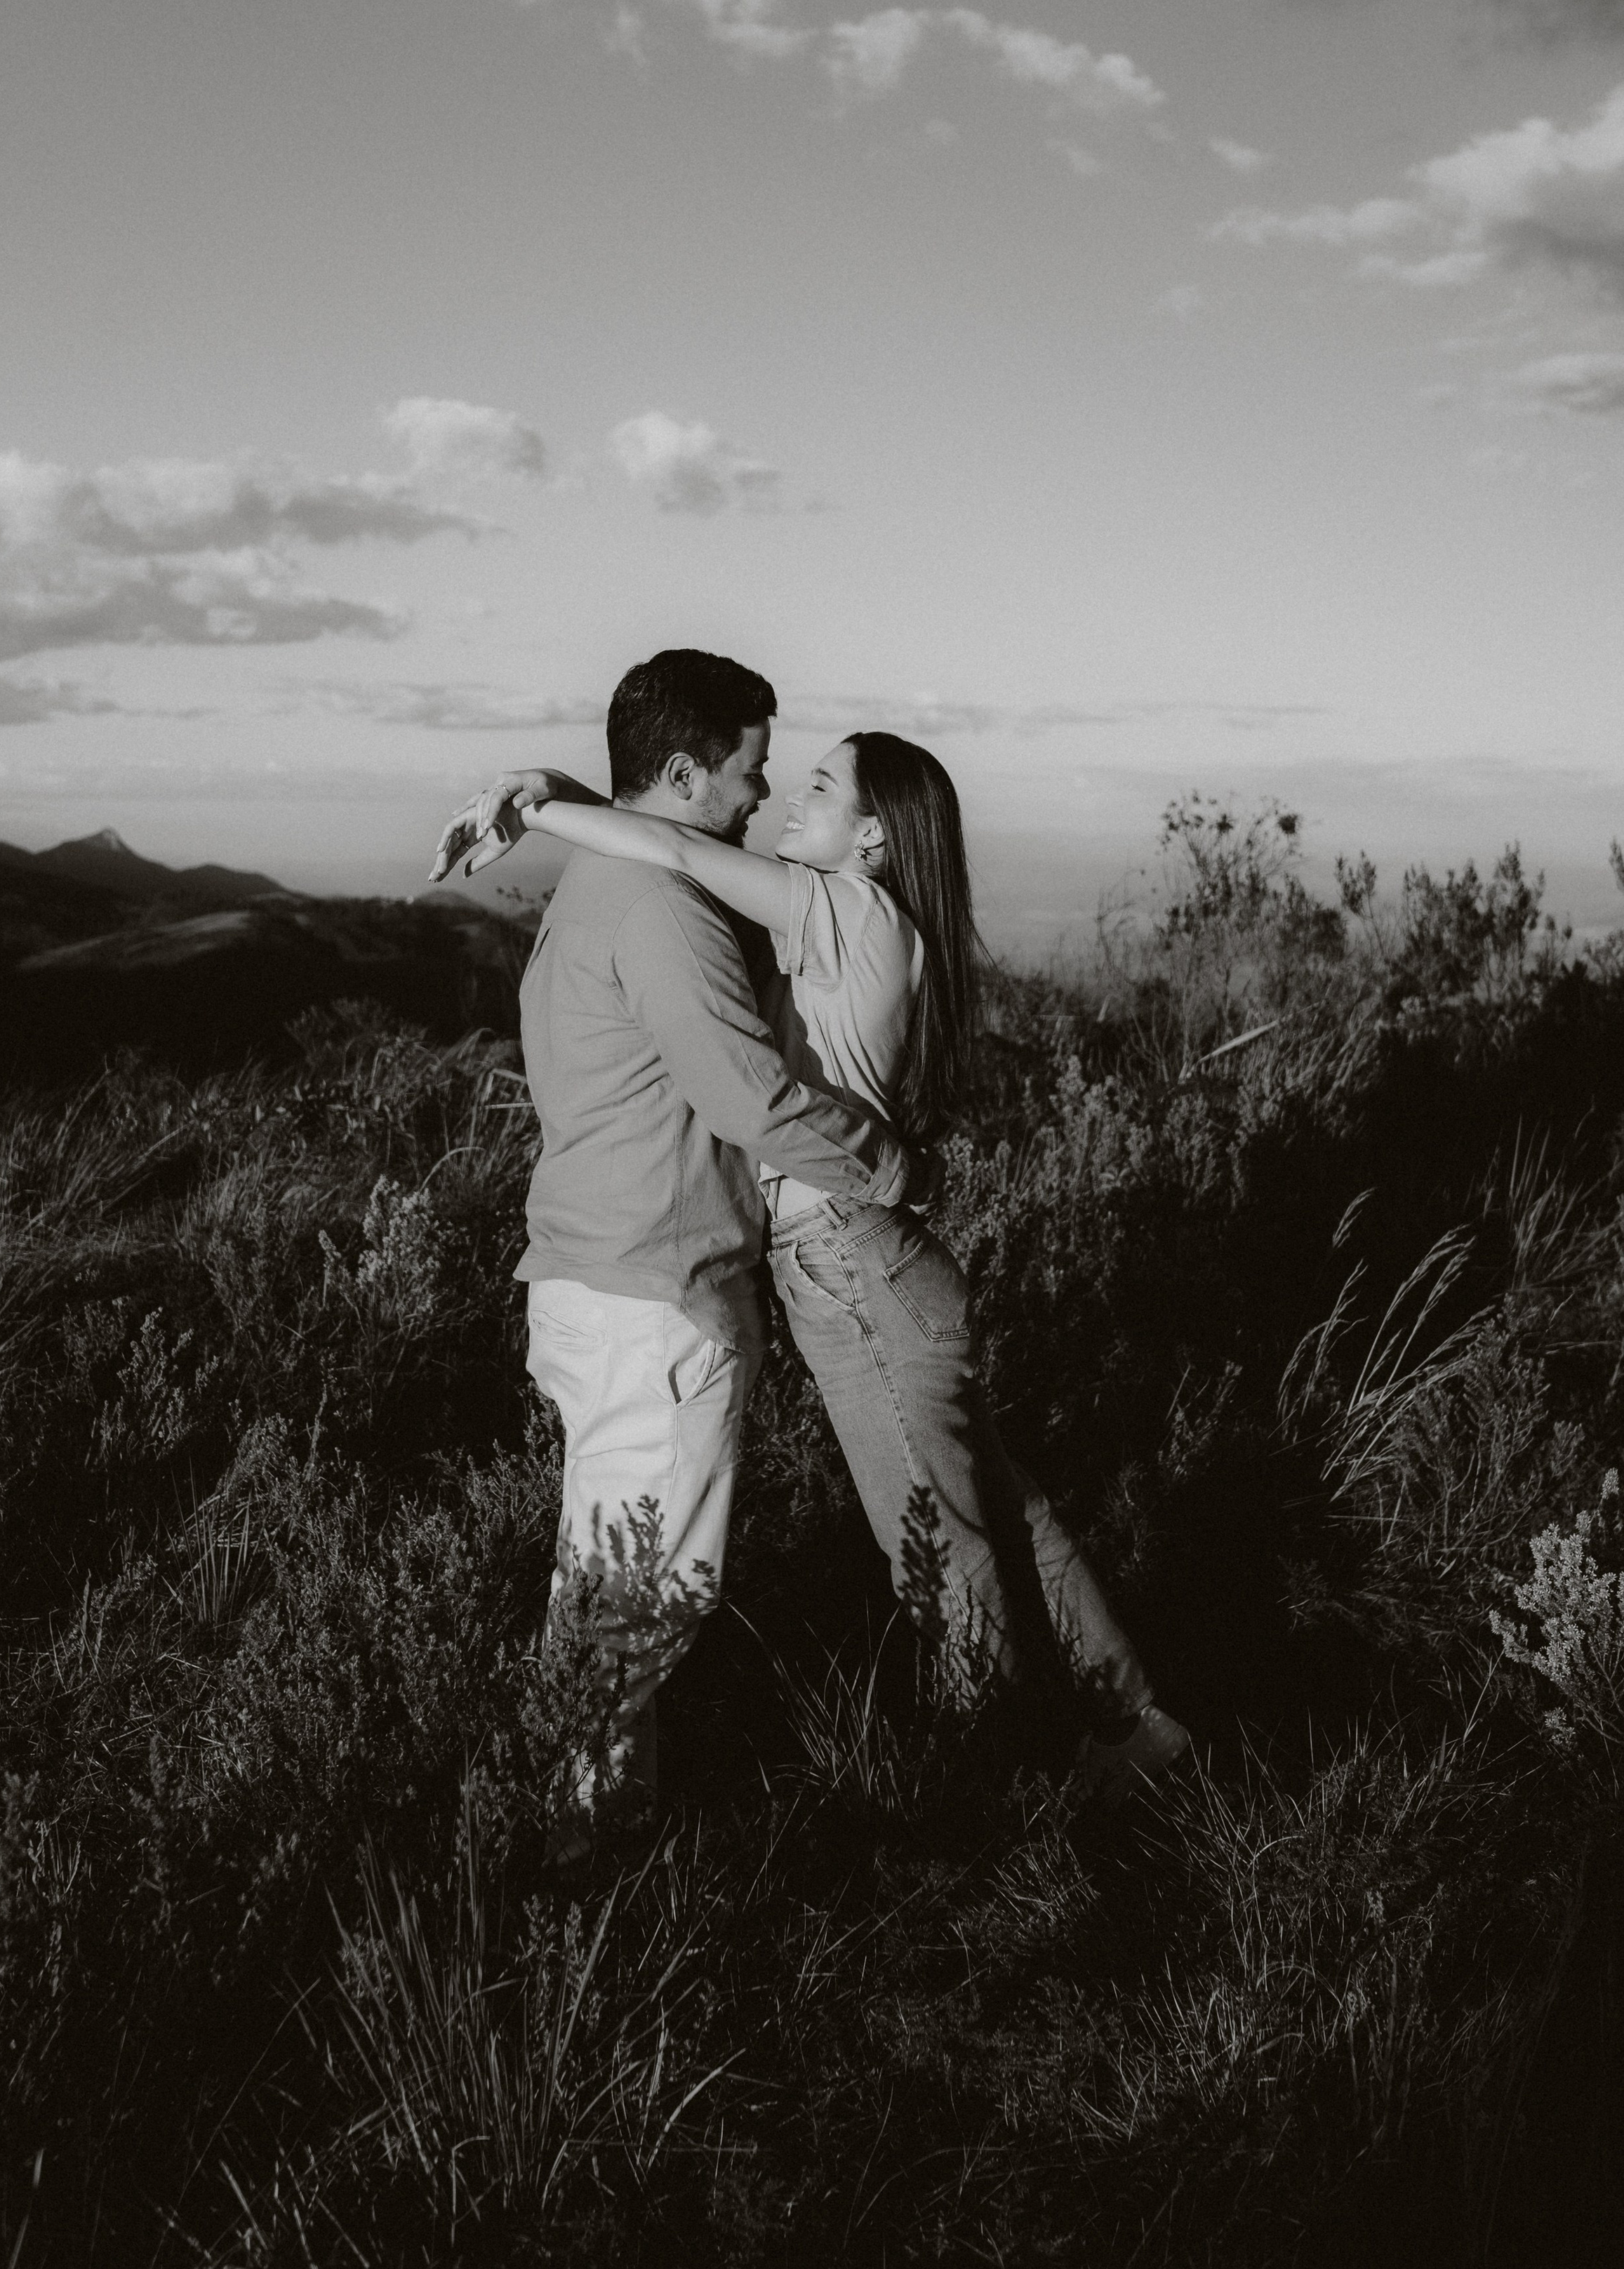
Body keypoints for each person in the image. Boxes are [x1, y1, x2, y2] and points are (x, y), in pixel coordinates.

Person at [434, 693, 1189, 1810]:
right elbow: (673, 838)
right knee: (995, 1503)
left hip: (850, 1259)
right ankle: (1136, 1725)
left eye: (822, 788)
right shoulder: (859, 918)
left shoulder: (845, 912)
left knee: (935, 1548)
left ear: (871, 838)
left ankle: (1013, 1779)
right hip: (875, 1258)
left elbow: (665, 841)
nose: (791, 798)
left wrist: (540, 799)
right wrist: (565, 793)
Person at [431, 651, 914, 1850]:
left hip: (599, 1278)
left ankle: (582, 1839)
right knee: (645, 1602)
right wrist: (893, 1167)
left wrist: (544, 789)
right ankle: (569, 1870)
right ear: (687, 770)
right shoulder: (661, 909)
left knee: (606, 1585)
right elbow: (750, 1096)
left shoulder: (602, 877)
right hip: (657, 1298)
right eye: (749, 775)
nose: (759, 801)